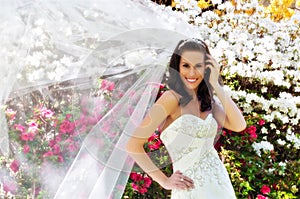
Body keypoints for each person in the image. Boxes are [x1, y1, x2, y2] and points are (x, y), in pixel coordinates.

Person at [126, 38, 246, 198]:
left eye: (198, 66)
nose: (191, 73)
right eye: (186, 66)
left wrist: (216, 85)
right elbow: (133, 145)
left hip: (219, 185)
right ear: (177, 67)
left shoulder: (208, 101)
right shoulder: (171, 99)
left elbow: (239, 125)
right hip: (189, 188)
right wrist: (164, 181)